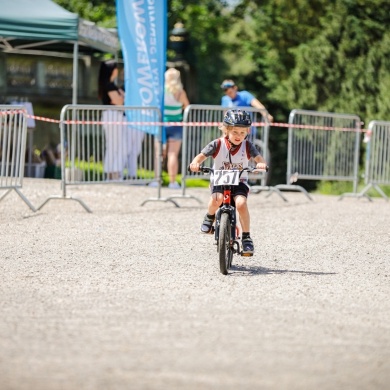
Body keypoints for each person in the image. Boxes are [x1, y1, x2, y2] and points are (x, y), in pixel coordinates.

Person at [189, 109, 268, 256]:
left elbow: (259, 159)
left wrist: (261, 164)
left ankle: (246, 237)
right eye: (235, 132)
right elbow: (201, 156)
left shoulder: (248, 146)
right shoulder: (217, 144)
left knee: (241, 204)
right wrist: (195, 163)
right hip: (220, 179)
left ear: (247, 132)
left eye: (242, 133)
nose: (239, 136)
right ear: (226, 130)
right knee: (216, 199)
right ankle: (209, 217)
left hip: (239, 180)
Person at [150, 68, 190, 189]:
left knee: (159, 154)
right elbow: (187, 106)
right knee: (173, 154)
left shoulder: (161, 91)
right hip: (176, 125)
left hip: (162, 124)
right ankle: (172, 182)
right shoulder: (180, 92)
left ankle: (157, 180)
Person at [98, 59, 126, 181]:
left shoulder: (110, 85)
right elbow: (119, 102)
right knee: (115, 145)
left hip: (113, 115)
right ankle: (112, 173)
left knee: (115, 145)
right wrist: (121, 96)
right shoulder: (109, 86)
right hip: (113, 115)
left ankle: (113, 172)